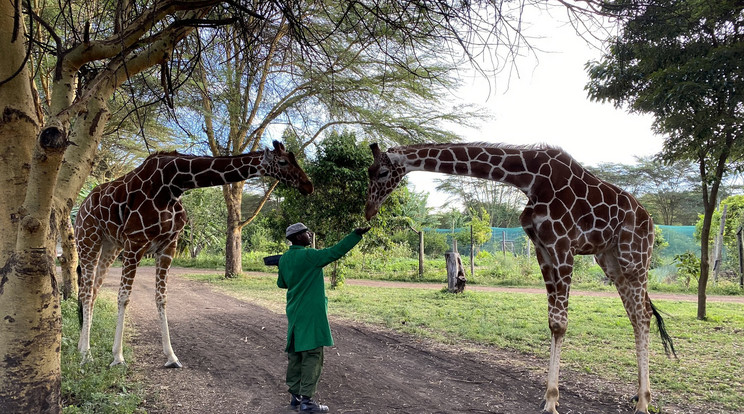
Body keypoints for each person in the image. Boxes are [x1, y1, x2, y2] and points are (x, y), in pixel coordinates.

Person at [278, 222, 371, 413]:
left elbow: (282, 283)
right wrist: (355, 235)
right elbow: (335, 251)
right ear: (297, 237)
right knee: (312, 355)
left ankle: (295, 398)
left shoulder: (285, 258)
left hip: (294, 312)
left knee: (295, 355)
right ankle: (308, 402)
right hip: (311, 314)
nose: (309, 234)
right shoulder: (311, 256)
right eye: (305, 233)